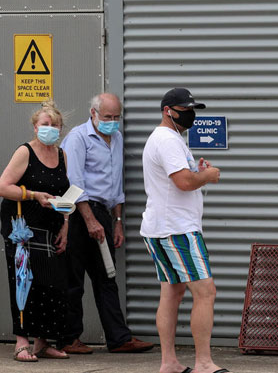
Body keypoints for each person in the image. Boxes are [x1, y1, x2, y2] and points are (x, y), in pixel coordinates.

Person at [59, 93, 153, 354]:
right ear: (93, 113)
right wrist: (90, 220)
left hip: (103, 214)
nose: (112, 122)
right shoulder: (78, 138)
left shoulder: (117, 138)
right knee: (73, 279)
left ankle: (118, 338)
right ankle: (69, 338)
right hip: (80, 215)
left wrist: (118, 221)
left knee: (106, 277)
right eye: (107, 117)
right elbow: (74, 183)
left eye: (116, 117)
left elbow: (116, 184)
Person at [140, 88, 226, 373]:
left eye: (192, 108)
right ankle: (203, 362)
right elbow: (185, 183)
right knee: (206, 292)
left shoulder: (168, 139)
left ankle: (169, 363)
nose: (190, 114)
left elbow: (182, 178)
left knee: (172, 293)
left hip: (162, 227)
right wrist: (207, 176)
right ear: (168, 110)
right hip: (176, 229)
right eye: (185, 109)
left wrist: (196, 172)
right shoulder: (167, 140)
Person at [0, 101, 71, 362]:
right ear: (35, 126)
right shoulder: (25, 152)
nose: (49, 129)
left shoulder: (62, 155)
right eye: (45, 125)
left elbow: (64, 193)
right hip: (22, 226)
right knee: (24, 280)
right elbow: (3, 186)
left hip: (51, 225)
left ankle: (43, 342)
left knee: (53, 283)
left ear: (61, 129)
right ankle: (21, 342)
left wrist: (65, 225)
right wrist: (32, 195)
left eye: (54, 125)